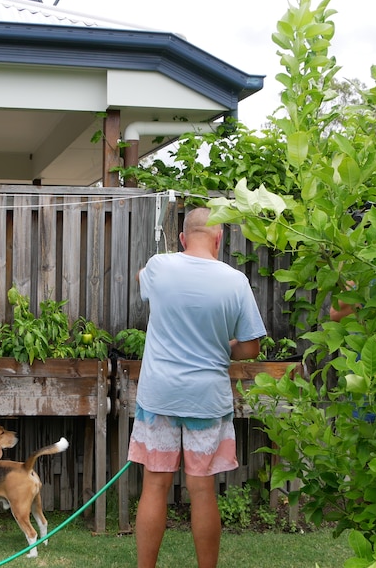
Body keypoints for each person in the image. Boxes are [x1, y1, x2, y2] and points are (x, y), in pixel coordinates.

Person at [128, 207, 267, 568]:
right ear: (219, 239)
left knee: (154, 486)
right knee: (202, 490)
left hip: (159, 397)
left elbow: (141, 277)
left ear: (182, 238)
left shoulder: (159, 267)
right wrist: (226, 344)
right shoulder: (235, 281)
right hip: (207, 399)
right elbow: (252, 347)